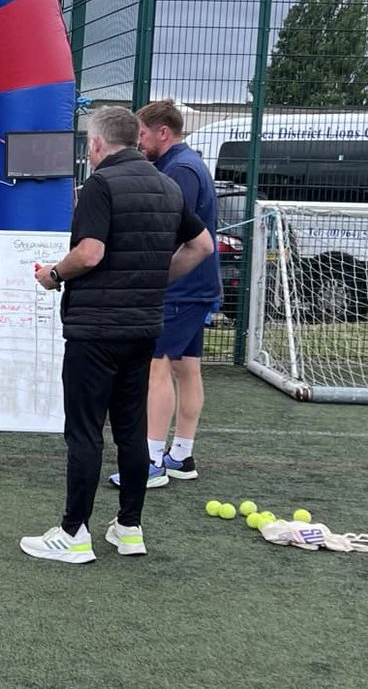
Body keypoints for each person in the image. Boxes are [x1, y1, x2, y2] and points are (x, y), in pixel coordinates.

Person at [19, 106, 213, 563]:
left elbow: (89, 253)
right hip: (143, 326)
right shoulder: (166, 184)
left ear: (97, 144)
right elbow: (202, 245)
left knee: (84, 431)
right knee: (131, 430)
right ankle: (129, 528)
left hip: (96, 328)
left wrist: (53, 274)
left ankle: (73, 533)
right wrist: (157, 278)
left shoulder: (100, 185)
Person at [106, 99, 220, 490]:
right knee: (186, 368)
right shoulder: (183, 165)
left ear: (163, 133)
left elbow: (171, 229)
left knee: (155, 366)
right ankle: (181, 455)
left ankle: (151, 460)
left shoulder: (181, 170)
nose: (138, 143)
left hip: (181, 286)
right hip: (195, 286)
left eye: (141, 134)